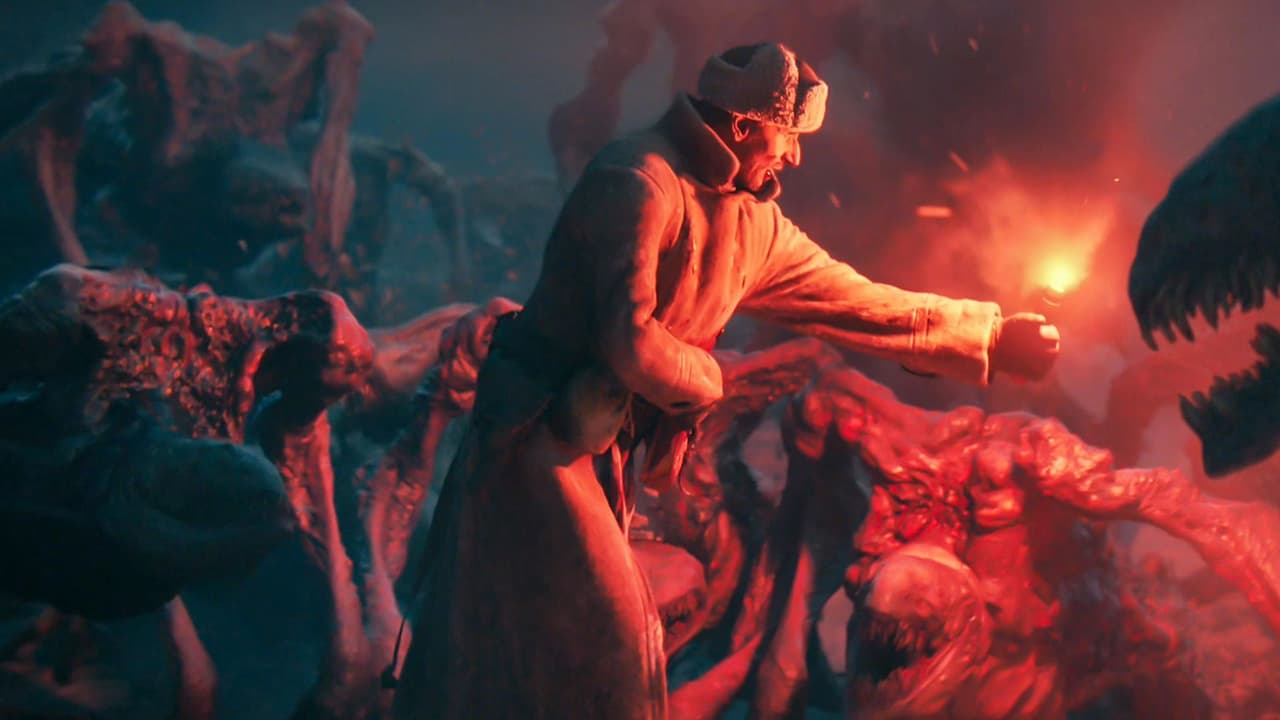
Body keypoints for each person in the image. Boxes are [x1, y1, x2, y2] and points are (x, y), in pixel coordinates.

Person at [392, 42, 1059, 720]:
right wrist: (707, 379)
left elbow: (852, 301)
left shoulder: (750, 220)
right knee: (604, 653)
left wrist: (989, 336)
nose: (793, 157)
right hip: (538, 448)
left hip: (597, 455)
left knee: (549, 658)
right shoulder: (637, 181)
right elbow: (630, 341)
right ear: (743, 126)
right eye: (786, 137)